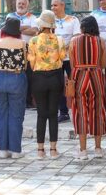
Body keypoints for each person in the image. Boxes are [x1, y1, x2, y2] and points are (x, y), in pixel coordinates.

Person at [28, 10, 66, 159]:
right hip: (55, 77)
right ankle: (53, 149)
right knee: (53, 113)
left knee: (41, 114)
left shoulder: (33, 41)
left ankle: (40, 150)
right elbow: (63, 57)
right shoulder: (59, 40)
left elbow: (31, 62)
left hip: (38, 78)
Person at [70, 16, 106, 160]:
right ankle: (98, 148)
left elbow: (73, 63)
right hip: (96, 75)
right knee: (98, 111)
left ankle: (83, 150)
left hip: (79, 75)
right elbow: (103, 64)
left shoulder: (74, 41)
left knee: (80, 111)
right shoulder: (101, 41)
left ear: (82, 27)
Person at [0, 17, 28, 159]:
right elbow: (25, 63)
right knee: (16, 114)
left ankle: (3, 150)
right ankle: (16, 150)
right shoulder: (22, 43)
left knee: (1, 114)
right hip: (16, 78)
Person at [51, 0, 80, 123]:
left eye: (55, 5)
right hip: (56, 59)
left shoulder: (73, 20)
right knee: (57, 86)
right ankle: (63, 112)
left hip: (70, 58)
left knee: (76, 84)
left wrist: (64, 47)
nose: (53, 8)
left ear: (62, 5)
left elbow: (76, 36)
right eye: (52, 6)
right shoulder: (50, 21)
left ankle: (79, 110)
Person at [7, 0, 38, 109]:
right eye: (19, 3)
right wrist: (26, 27)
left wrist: (17, 28)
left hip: (28, 50)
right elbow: (8, 30)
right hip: (13, 51)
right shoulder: (10, 16)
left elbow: (34, 31)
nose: (21, 5)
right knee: (15, 76)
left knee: (29, 76)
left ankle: (28, 102)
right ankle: (16, 101)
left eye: (23, 4)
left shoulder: (33, 17)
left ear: (27, 5)